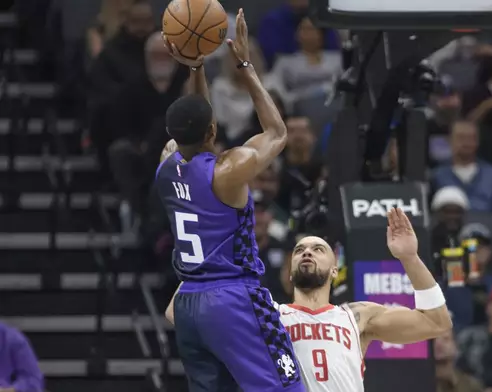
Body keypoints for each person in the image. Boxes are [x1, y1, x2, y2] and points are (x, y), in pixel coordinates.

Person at [156, 10, 305, 392]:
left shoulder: (166, 162)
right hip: (232, 296)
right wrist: (245, 66)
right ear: (212, 129)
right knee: (285, 385)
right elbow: (276, 132)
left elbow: (197, 123)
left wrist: (197, 68)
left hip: (188, 302)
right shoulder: (228, 169)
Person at [166, 208, 453, 391]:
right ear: (288, 272)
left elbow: (436, 322)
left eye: (318, 249)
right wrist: (209, 255)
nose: (307, 252)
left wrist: (409, 257)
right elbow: (178, 313)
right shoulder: (267, 313)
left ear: (334, 270)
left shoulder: (357, 316)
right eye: (300, 249)